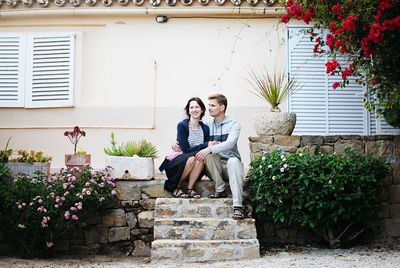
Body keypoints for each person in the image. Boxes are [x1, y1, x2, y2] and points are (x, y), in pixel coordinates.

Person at [195, 94, 245, 220]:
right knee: (209, 156)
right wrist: (177, 143)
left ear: (222, 107)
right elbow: (194, 140)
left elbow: (230, 144)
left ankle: (238, 206)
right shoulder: (206, 125)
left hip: (230, 167)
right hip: (214, 168)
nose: (209, 108)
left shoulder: (234, 124)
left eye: (213, 105)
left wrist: (210, 148)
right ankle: (220, 189)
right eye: (209, 105)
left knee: (233, 161)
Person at [159, 97, 212, 198]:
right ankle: (176, 187)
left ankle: (190, 189)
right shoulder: (182, 125)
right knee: (192, 158)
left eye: (197, 107)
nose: (194, 110)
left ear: (202, 110)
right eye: (191, 107)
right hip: (180, 164)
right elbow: (185, 149)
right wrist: (206, 145)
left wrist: (206, 146)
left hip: (196, 166)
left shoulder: (205, 128)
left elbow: (205, 151)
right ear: (188, 110)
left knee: (200, 158)